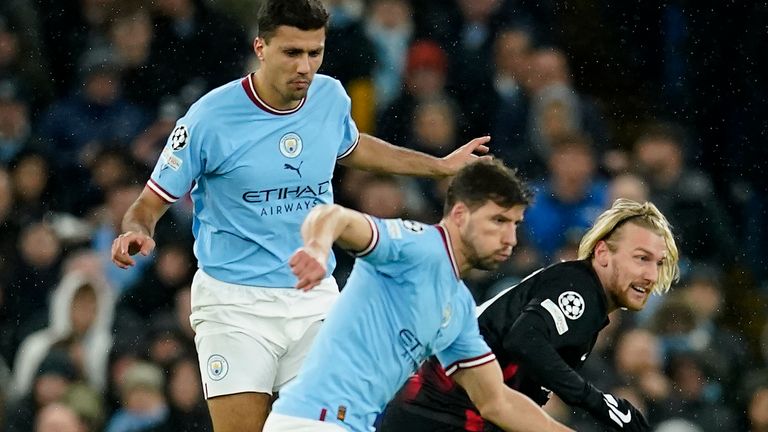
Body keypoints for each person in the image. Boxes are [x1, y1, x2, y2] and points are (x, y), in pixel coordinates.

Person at [109, 1, 491, 431]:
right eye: (292, 53)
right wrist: (135, 232)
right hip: (235, 305)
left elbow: (352, 147)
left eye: (315, 52)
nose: (305, 67)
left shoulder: (329, 97)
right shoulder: (209, 118)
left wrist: (438, 165)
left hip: (314, 299)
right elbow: (147, 203)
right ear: (261, 48)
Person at [263, 160, 572, 432]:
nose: (510, 239)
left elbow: (498, 402)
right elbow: (333, 216)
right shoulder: (415, 246)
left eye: (516, 224)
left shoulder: (459, 306)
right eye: (498, 221)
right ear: (461, 215)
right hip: (312, 421)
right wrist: (317, 249)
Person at [380, 198, 680, 432]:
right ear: (602, 253)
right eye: (641, 258)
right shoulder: (580, 292)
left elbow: (515, 387)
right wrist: (600, 403)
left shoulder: (581, 295)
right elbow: (524, 341)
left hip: (437, 413)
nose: (650, 274)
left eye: (658, 263)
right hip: (432, 415)